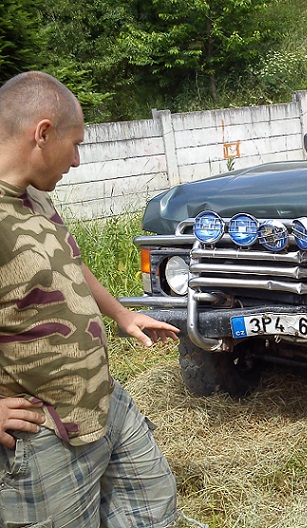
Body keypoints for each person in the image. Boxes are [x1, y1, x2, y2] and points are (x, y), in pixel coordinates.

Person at [0, 71, 180, 527]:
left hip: (103, 400)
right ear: (43, 133)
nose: (77, 161)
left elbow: (70, 262)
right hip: (42, 433)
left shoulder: (34, 195)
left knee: (154, 509)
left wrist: (121, 314)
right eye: (75, 144)